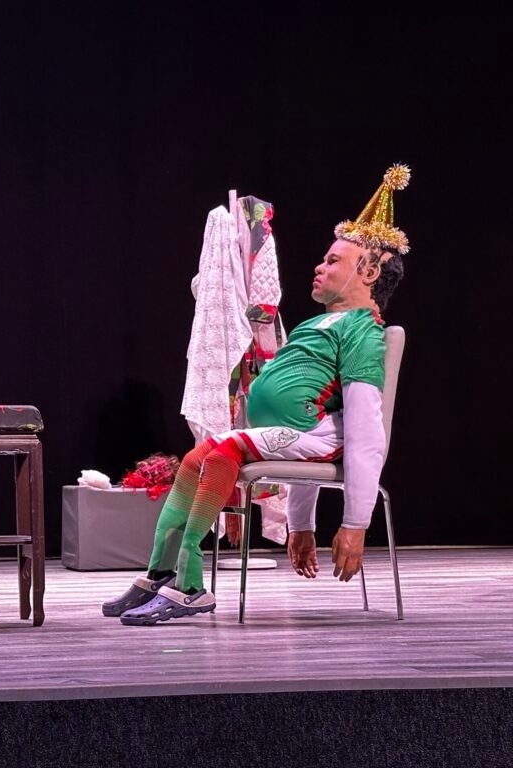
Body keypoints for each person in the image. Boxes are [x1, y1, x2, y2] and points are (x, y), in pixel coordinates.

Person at [102, 164, 411, 625]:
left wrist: (354, 523)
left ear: (369, 271)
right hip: (296, 436)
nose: (319, 266)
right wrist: (300, 526)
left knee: (223, 450)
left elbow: (366, 431)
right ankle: (161, 570)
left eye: (333, 261)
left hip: (319, 438)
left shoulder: (363, 331)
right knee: (195, 458)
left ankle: (191, 587)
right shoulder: (316, 323)